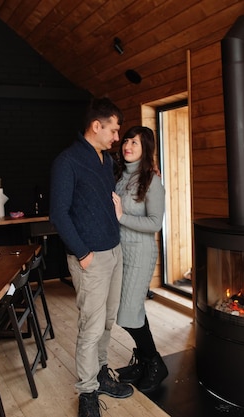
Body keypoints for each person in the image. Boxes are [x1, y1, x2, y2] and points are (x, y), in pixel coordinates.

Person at [49, 98, 134, 417]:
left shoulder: (105, 161)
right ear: (96, 126)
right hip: (91, 258)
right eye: (113, 130)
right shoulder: (67, 161)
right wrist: (83, 253)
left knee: (107, 322)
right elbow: (58, 213)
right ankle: (87, 392)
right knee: (91, 325)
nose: (116, 137)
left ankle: (100, 373)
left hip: (114, 251)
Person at [111, 126, 168, 393]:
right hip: (120, 252)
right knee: (131, 310)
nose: (127, 146)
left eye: (134, 142)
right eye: (126, 140)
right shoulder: (119, 176)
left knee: (126, 314)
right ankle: (145, 362)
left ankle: (155, 363)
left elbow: (155, 223)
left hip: (140, 253)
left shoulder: (152, 181)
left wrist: (122, 217)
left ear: (145, 148)